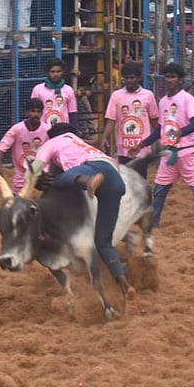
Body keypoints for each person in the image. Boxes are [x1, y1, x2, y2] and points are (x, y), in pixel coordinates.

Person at [31, 122, 135, 302]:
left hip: (91, 170)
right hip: (115, 179)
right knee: (103, 243)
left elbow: (36, 168)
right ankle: (125, 285)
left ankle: (88, 182)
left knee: (59, 180)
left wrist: (33, 182)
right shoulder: (82, 143)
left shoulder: (52, 143)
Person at [143, 62, 194, 234]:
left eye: (173, 77)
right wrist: (143, 143)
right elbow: (161, 128)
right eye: (167, 76)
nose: (169, 80)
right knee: (159, 191)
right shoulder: (163, 101)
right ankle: (154, 223)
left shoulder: (187, 99)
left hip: (189, 152)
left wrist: (180, 132)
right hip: (169, 153)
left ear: (180, 80)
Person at [102, 62, 158, 169]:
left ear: (139, 78)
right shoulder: (116, 96)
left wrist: (161, 138)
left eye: (132, 78)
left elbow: (154, 119)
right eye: (126, 78)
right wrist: (105, 137)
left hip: (141, 148)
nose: (129, 81)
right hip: (123, 148)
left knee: (140, 177)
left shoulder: (148, 95)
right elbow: (111, 119)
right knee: (124, 176)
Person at [0, 99, 50, 193]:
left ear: (42, 113)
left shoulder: (48, 129)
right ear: (26, 113)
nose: (36, 114)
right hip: (21, 174)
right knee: (18, 199)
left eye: (38, 111)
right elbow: (2, 147)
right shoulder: (17, 129)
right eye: (33, 111)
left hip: (42, 173)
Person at [31, 56, 77, 128]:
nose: (55, 74)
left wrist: (73, 131)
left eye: (58, 71)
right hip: (43, 130)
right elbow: (33, 112)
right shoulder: (38, 89)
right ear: (47, 73)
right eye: (52, 72)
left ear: (62, 72)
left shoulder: (68, 90)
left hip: (63, 130)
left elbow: (72, 113)